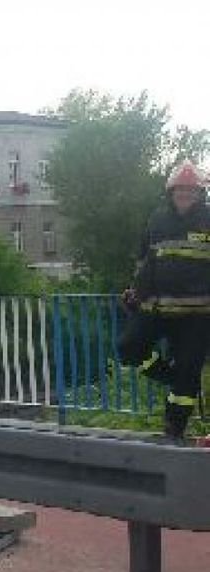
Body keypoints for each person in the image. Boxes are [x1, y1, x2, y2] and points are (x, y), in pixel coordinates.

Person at [118, 160, 210, 442]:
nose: (185, 195)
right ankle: (170, 376)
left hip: (198, 315)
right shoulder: (157, 220)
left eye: (191, 191)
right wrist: (136, 292)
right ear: (171, 192)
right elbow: (145, 262)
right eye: (180, 190)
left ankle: (174, 429)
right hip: (157, 307)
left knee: (187, 377)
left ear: (200, 193)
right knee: (129, 347)